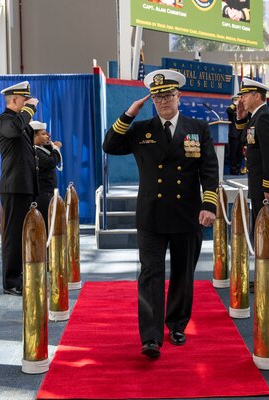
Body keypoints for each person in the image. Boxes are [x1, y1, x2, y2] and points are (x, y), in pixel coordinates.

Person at [103, 69, 219, 359]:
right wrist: (129, 113)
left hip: (187, 213)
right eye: (157, 97)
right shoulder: (141, 129)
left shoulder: (198, 128)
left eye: (168, 95)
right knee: (150, 274)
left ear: (179, 96)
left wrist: (209, 205)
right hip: (151, 214)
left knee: (183, 272)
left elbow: (209, 169)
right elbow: (110, 145)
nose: (163, 101)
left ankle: (177, 324)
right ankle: (151, 337)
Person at [236, 78, 269, 288]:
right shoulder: (256, 117)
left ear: (258, 96)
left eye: (245, 95)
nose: (242, 99)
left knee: (268, 235)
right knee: (262, 235)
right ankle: (265, 278)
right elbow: (245, 142)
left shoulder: (265, 118)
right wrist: (240, 119)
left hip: (267, 189)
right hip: (260, 187)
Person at [0, 81, 39, 296]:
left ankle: (20, 275)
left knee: (23, 234)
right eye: (25, 100)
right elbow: (13, 130)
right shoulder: (5, 120)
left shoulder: (21, 123)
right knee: (13, 235)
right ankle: (10, 281)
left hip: (24, 186)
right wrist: (29, 110)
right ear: (14, 100)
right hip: (14, 186)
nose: (28, 103)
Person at [31, 120, 62, 227]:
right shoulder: (35, 151)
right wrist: (56, 149)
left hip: (48, 192)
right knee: (45, 224)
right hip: (42, 193)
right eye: (43, 134)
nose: (47, 136)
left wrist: (50, 147)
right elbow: (51, 162)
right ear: (33, 136)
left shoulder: (41, 149)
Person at [226, 94, 243, 175]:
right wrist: (235, 103)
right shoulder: (231, 111)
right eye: (236, 100)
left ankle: (238, 169)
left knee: (240, 153)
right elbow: (228, 110)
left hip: (241, 135)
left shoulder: (242, 110)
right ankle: (233, 170)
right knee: (233, 154)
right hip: (234, 135)